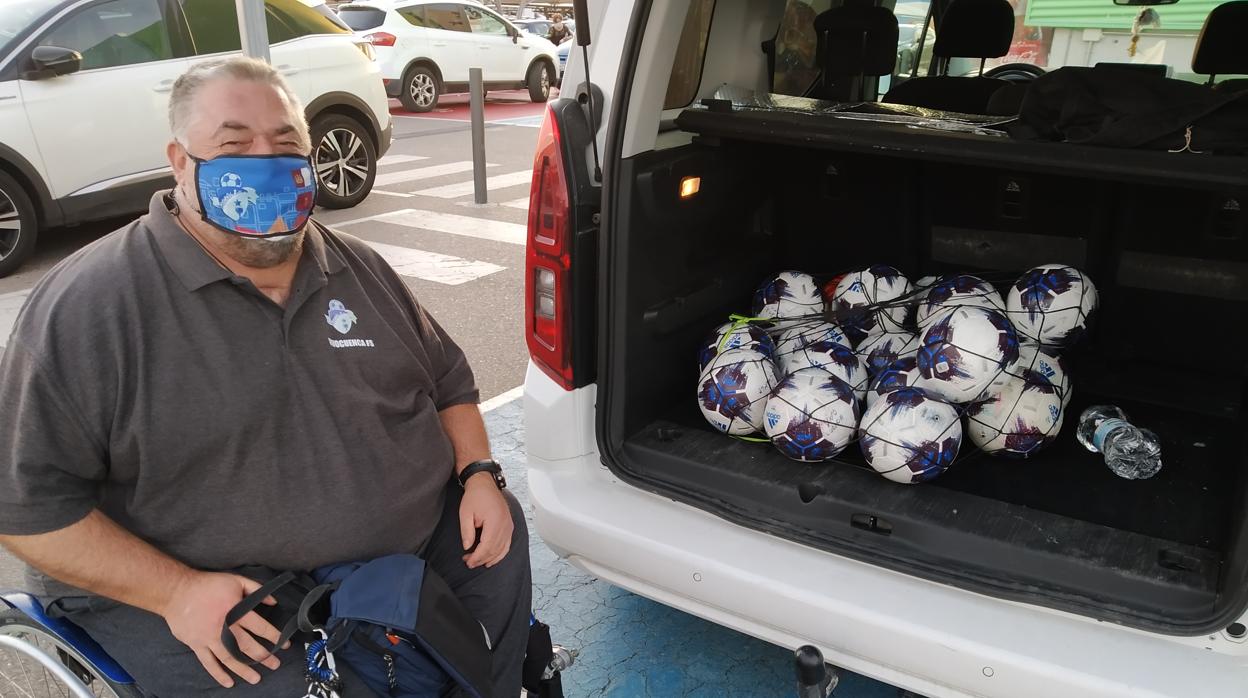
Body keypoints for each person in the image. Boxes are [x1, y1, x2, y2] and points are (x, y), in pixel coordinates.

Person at [0, 56, 531, 697]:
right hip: (216, 592)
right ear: (179, 161)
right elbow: (26, 510)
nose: (265, 162)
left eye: (286, 145)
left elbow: (449, 381)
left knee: (499, 557)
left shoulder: (357, 268)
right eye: (234, 145)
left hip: (406, 547)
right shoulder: (91, 305)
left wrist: (478, 475)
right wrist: (175, 592)